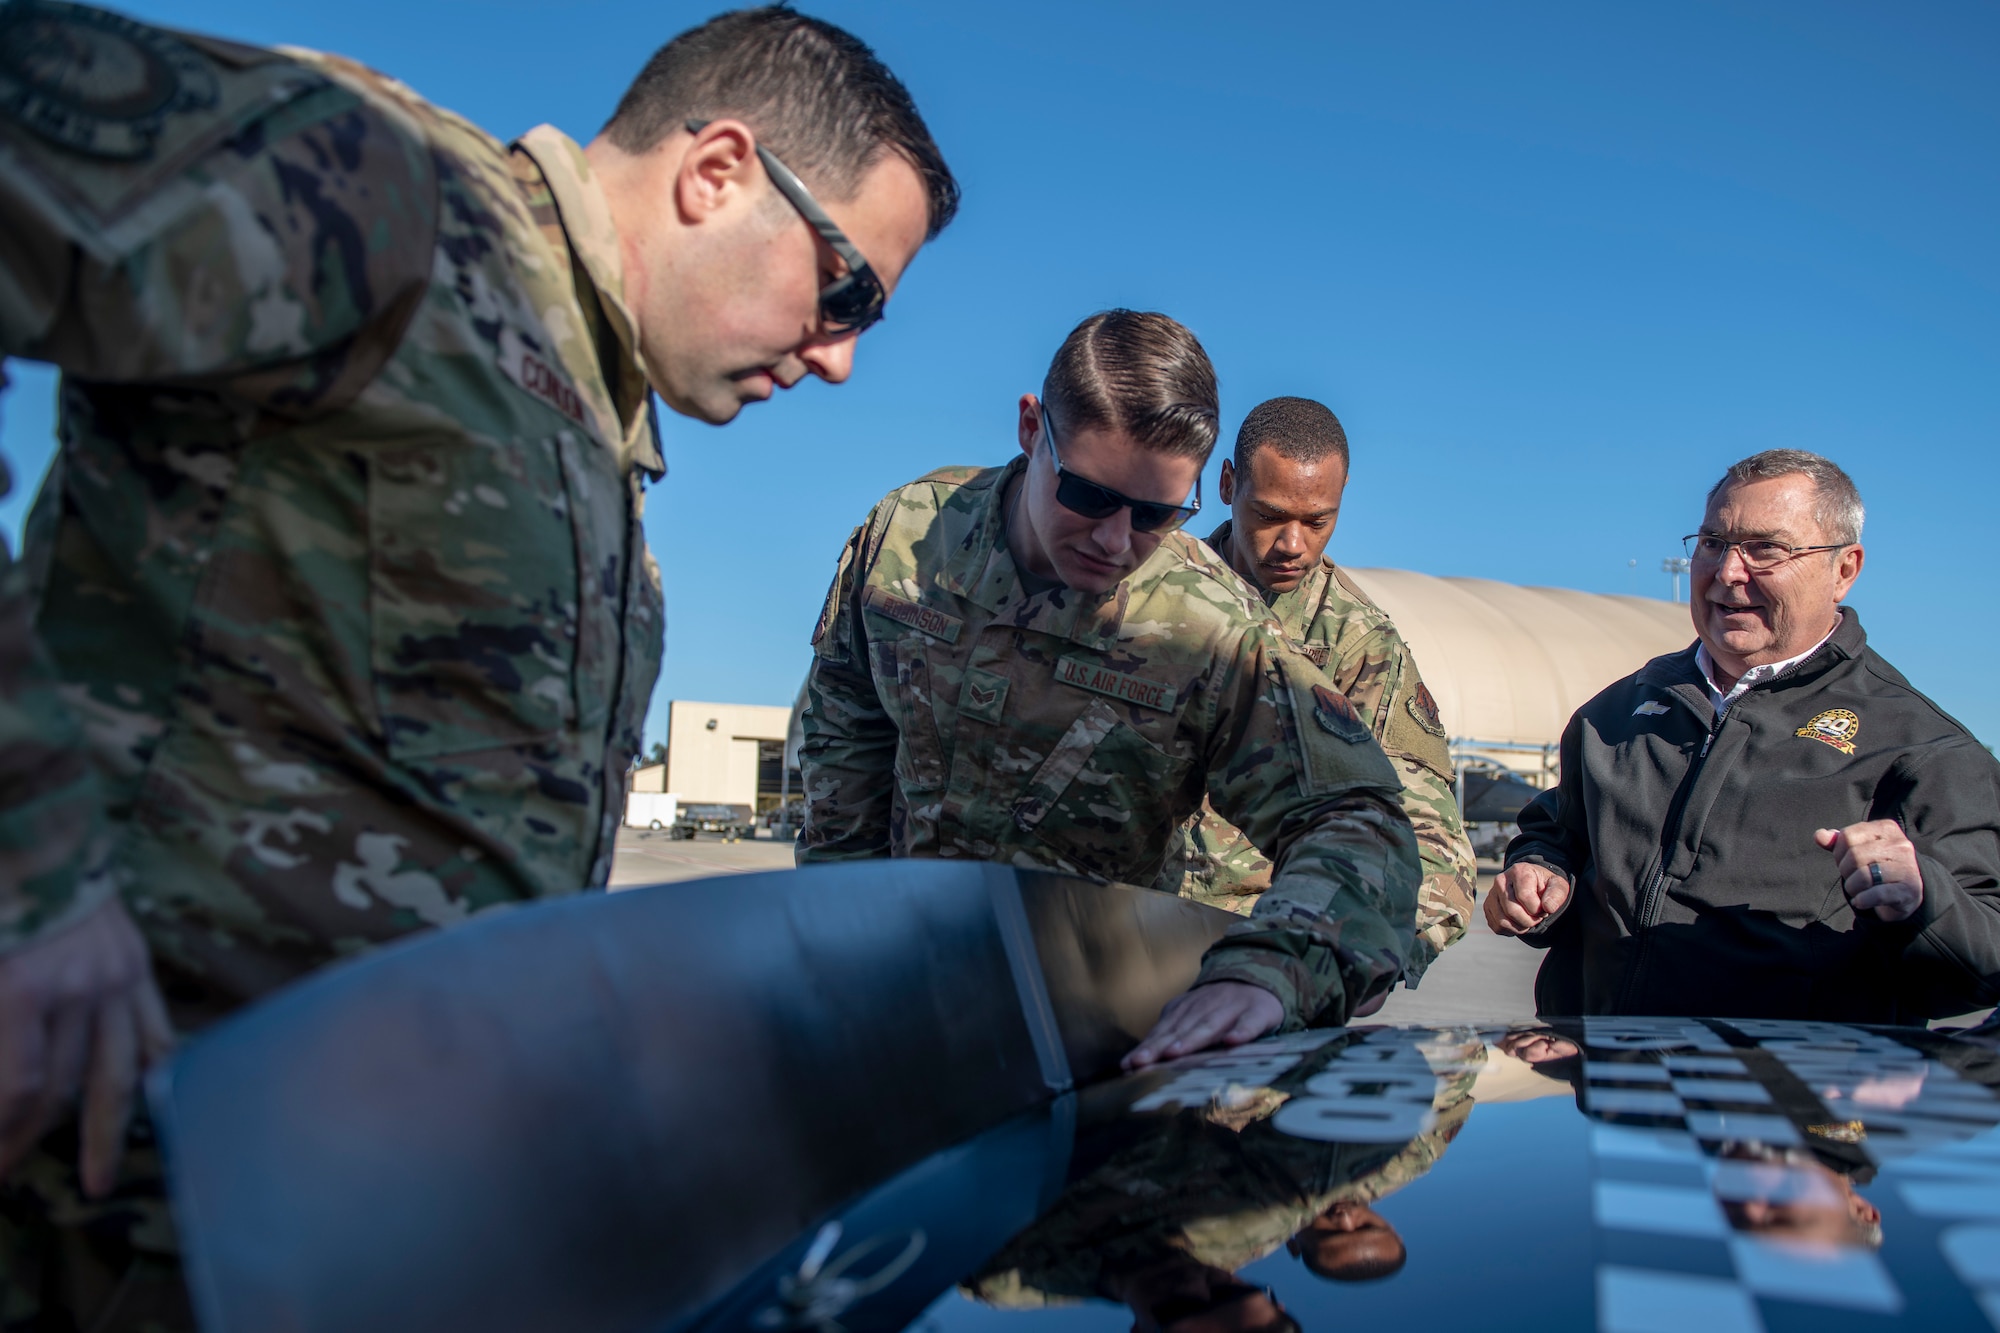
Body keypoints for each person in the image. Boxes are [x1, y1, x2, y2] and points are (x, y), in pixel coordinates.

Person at [0, 4, 955, 1323]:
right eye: (847, 288)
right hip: (116, 1198)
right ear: (720, 170)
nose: (842, 358)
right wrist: (28, 864)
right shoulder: (386, 190)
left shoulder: (593, 440)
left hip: (339, 1235)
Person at [798, 311, 1421, 1066]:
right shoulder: (907, 540)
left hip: (1095, 1036)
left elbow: (1359, 816)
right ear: (1032, 429)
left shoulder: (1209, 625)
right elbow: (846, 750)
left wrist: (1276, 968)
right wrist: (840, 941)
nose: (1115, 541)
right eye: (1090, 496)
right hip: (897, 998)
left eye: (1158, 513)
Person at [1485, 450, 2000, 1020]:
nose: (1729, 572)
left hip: (1794, 1100)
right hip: (1614, 1090)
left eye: (1765, 549)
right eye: (1712, 543)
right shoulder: (1615, 712)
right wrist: (1540, 871)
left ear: (1844, 570)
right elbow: (1562, 831)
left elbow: (1986, 962)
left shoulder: (1921, 747)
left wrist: (1923, 900)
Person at [1156, 397, 1475, 983]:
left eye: (1317, 521)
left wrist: (1361, 958)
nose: (1293, 544)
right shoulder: (1152, 592)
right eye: (1271, 514)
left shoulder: (1359, 645)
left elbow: (1428, 832)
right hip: (1131, 932)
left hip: (1264, 956)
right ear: (1228, 483)